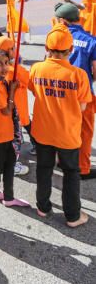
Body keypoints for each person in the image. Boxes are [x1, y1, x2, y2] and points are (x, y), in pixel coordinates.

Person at [29, 24, 91, 226]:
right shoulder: (79, 75)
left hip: (43, 131)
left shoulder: (37, 68)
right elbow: (82, 106)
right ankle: (72, 216)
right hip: (67, 134)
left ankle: (42, 207)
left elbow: (34, 91)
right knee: (70, 172)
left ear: (47, 48)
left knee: (44, 168)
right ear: (70, 50)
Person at [53, 3, 96, 179]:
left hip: (59, 92)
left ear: (63, 21)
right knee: (84, 131)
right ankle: (83, 168)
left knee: (61, 127)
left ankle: (60, 161)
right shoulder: (91, 40)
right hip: (83, 93)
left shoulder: (56, 38)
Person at [0, 50, 29, 208]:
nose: (3, 67)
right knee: (8, 163)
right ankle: (7, 197)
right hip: (1, 129)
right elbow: (7, 110)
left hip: (1, 129)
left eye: (6, 63)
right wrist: (12, 91)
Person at [0, 36, 34, 172]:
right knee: (16, 140)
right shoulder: (15, 70)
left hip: (0, 112)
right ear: (8, 51)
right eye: (13, 48)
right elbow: (30, 81)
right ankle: (12, 165)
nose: (16, 50)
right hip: (14, 112)